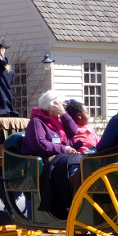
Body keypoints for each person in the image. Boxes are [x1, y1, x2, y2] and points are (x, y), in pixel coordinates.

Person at [22, 90, 80, 218]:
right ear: (52, 105)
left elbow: (74, 131)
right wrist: (63, 149)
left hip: (63, 156)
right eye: (61, 105)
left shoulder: (60, 119)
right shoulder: (37, 122)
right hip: (48, 158)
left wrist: (64, 114)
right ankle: (65, 206)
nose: (63, 108)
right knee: (68, 166)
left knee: (81, 161)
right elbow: (40, 144)